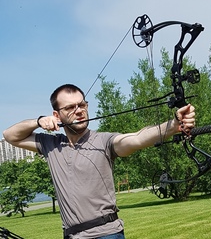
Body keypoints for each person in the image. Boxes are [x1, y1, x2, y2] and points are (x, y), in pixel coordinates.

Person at [3, 84, 195, 239]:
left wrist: (173, 126)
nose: (79, 111)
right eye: (70, 107)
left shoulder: (103, 141)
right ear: (56, 116)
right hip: (71, 235)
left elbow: (136, 138)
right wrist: (37, 122)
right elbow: (10, 135)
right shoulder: (50, 145)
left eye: (82, 105)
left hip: (106, 234)